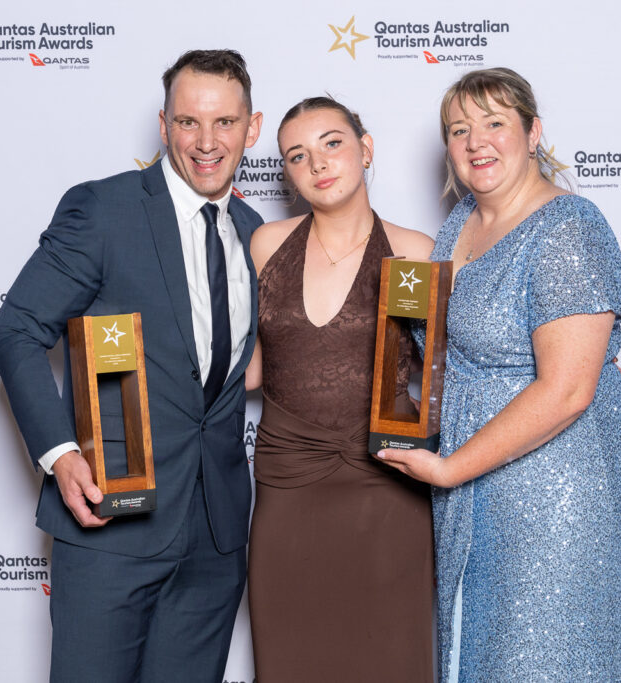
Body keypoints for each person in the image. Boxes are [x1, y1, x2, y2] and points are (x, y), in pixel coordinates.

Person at [0, 49, 263, 683]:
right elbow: (17, 330)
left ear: (251, 129)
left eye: (224, 122)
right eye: (188, 121)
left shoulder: (256, 233)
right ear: (164, 125)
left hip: (215, 537)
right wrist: (60, 454)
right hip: (111, 520)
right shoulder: (104, 210)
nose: (206, 142)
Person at [376, 68, 621, 681]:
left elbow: (568, 390)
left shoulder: (568, 228)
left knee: (541, 656)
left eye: (494, 123)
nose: (476, 141)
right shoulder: (461, 223)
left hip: (557, 486)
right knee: (481, 655)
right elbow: (438, 353)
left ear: (533, 133)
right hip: (478, 479)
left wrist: (450, 469)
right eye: (459, 130)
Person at [245, 97, 435, 682]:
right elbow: (249, 371)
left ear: (365, 148)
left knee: (391, 659)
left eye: (332, 143)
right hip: (289, 484)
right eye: (297, 155)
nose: (319, 163)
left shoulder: (416, 251)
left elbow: (444, 375)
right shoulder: (266, 244)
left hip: (387, 485)